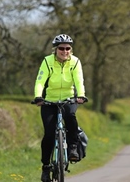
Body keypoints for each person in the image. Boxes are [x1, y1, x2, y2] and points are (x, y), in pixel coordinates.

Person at [34, 34, 87, 182]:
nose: (65, 51)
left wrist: (81, 95)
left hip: (68, 99)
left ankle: (73, 148)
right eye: (61, 48)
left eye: (67, 48)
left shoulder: (75, 62)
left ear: (71, 49)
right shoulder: (47, 61)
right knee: (49, 134)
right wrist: (39, 97)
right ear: (55, 49)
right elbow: (40, 81)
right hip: (49, 101)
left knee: (70, 116)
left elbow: (79, 80)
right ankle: (46, 167)